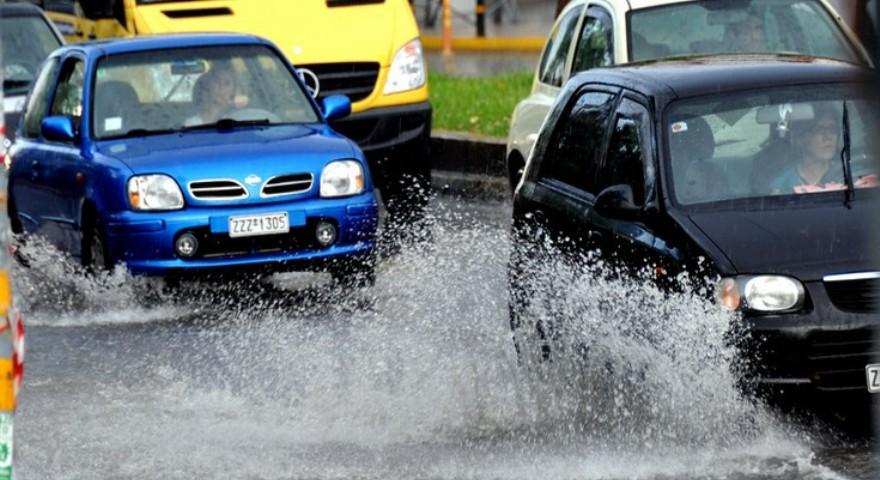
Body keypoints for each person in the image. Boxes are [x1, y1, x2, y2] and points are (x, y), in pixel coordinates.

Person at [769, 104, 844, 194]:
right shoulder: (782, 185)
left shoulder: (850, 174)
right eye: (818, 129)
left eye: (832, 128)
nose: (828, 136)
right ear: (801, 138)